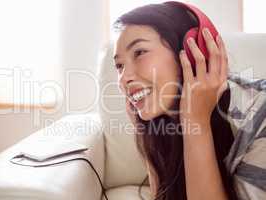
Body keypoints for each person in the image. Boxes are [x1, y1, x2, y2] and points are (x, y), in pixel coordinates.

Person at [112, 1, 266, 200]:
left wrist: (196, 121)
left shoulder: (260, 117)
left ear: (194, 53)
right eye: (119, 65)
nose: (124, 78)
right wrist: (146, 132)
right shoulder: (166, 116)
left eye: (140, 52)